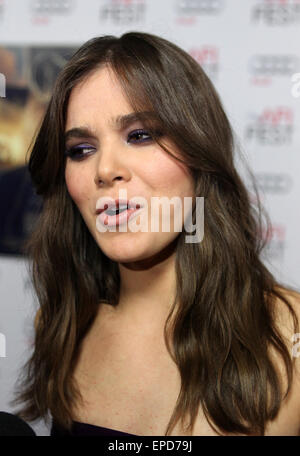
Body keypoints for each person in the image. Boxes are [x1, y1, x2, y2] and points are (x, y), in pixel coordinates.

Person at [11, 32, 300, 436]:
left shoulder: (291, 332)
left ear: (200, 152)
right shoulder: (61, 323)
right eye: (80, 149)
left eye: (140, 135)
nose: (104, 168)